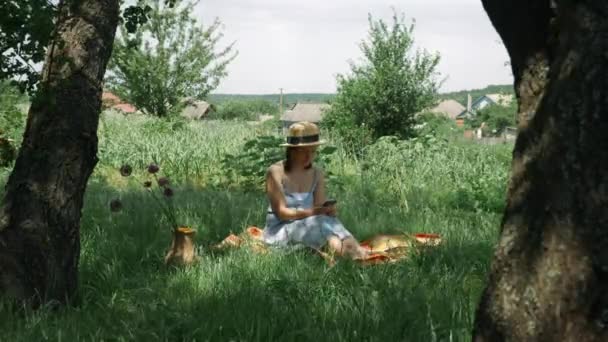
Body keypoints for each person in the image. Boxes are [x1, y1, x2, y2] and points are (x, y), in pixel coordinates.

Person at [262, 121, 369, 260]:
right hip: (282, 228)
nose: (309, 157)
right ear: (292, 150)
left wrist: (328, 210)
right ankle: (347, 255)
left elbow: (319, 206)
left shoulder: (317, 173)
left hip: (311, 222)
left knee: (331, 224)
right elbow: (282, 213)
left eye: (313, 152)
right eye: (304, 152)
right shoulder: (275, 172)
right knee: (329, 236)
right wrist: (315, 212)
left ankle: (354, 251)